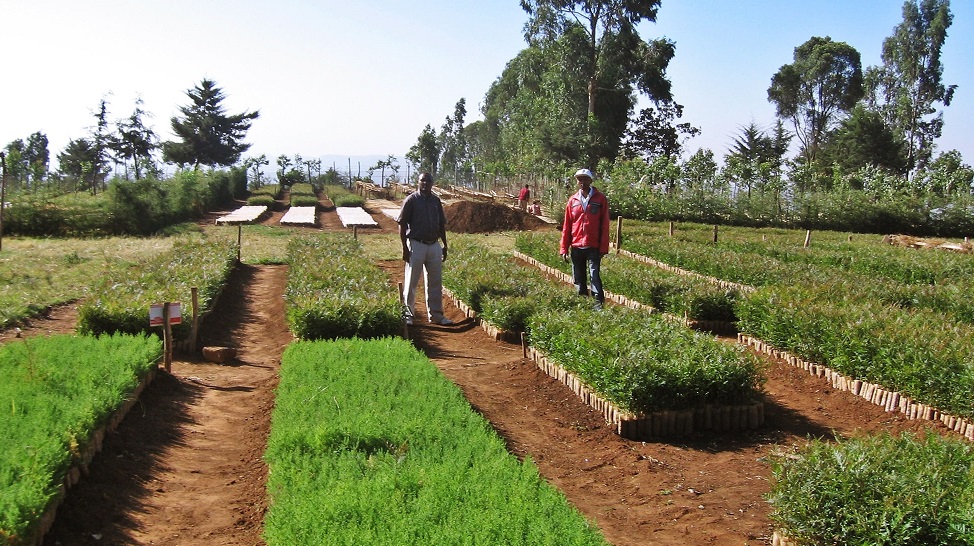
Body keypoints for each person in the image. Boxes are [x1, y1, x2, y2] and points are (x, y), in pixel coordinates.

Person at [397, 172, 453, 326]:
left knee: (435, 282)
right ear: (418, 182)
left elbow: (441, 224)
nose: (425, 183)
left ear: (432, 183)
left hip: (434, 245)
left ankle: (436, 316)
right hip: (416, 244)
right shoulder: (411, 200)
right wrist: (404, 248)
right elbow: (401, 225)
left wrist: (444, 245)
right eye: (422, 180)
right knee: (411, 282)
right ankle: (408, 315)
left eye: (428, 181)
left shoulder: (436, 201)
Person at [559, 168, 610, 310]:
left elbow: (605, 225)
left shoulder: (600, 199)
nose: (582, 182)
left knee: (594, 276)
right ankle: (582, 305)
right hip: (576, 246)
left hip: (593, 245)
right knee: (578, 278)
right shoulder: (572, 200)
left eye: (584, 179)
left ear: (590, 180)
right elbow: (567, 225)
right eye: (579, 179)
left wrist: (603, 247)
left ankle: (598, 306)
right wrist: (564, 247)